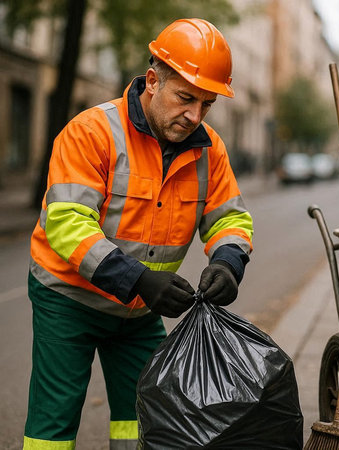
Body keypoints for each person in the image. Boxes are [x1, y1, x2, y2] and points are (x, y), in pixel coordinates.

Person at [24, 18, 253, 449]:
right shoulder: (92, 132)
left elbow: (229, 219)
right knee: (53, 424)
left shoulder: (210, 150)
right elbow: (67, 223)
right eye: (186, 98)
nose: (194, 115)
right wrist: (139, 279)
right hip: (68, 299)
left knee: (147, 420)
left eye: (206, 104)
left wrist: (228, 262)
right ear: (153, 80)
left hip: (139, 312)